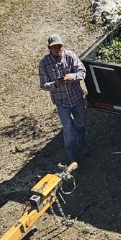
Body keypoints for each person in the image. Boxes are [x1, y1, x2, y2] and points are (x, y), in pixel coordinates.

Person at [39, 32, 87, 160]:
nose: (57, 49)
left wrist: (71, 77)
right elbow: (43, 85)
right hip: (62, 103)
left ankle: (82, 145)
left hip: (76, 98)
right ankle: (73, 158)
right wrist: (55, 84)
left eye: (59, 46)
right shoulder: (44, 63)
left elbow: (82, 72)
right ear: (49, 48)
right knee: (68, 131)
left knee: (80, 124)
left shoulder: (70, 56)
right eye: (54, 47)